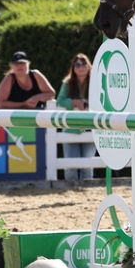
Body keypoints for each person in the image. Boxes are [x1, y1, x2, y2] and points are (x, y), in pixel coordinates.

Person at [56, 53, 96, 181]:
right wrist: (74, 102)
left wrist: (89, 103)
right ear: (73, 68)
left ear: (89, 66)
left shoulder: (96, 82)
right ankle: (70, 191)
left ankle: (87, 193)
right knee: (70, 167)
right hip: (71, 128)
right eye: (77, 64)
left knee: (88, 166)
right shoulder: (67, 83)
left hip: (91, 128)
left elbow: (102, 100)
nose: (81, 67)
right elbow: (60, 101)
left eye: (84, 64)